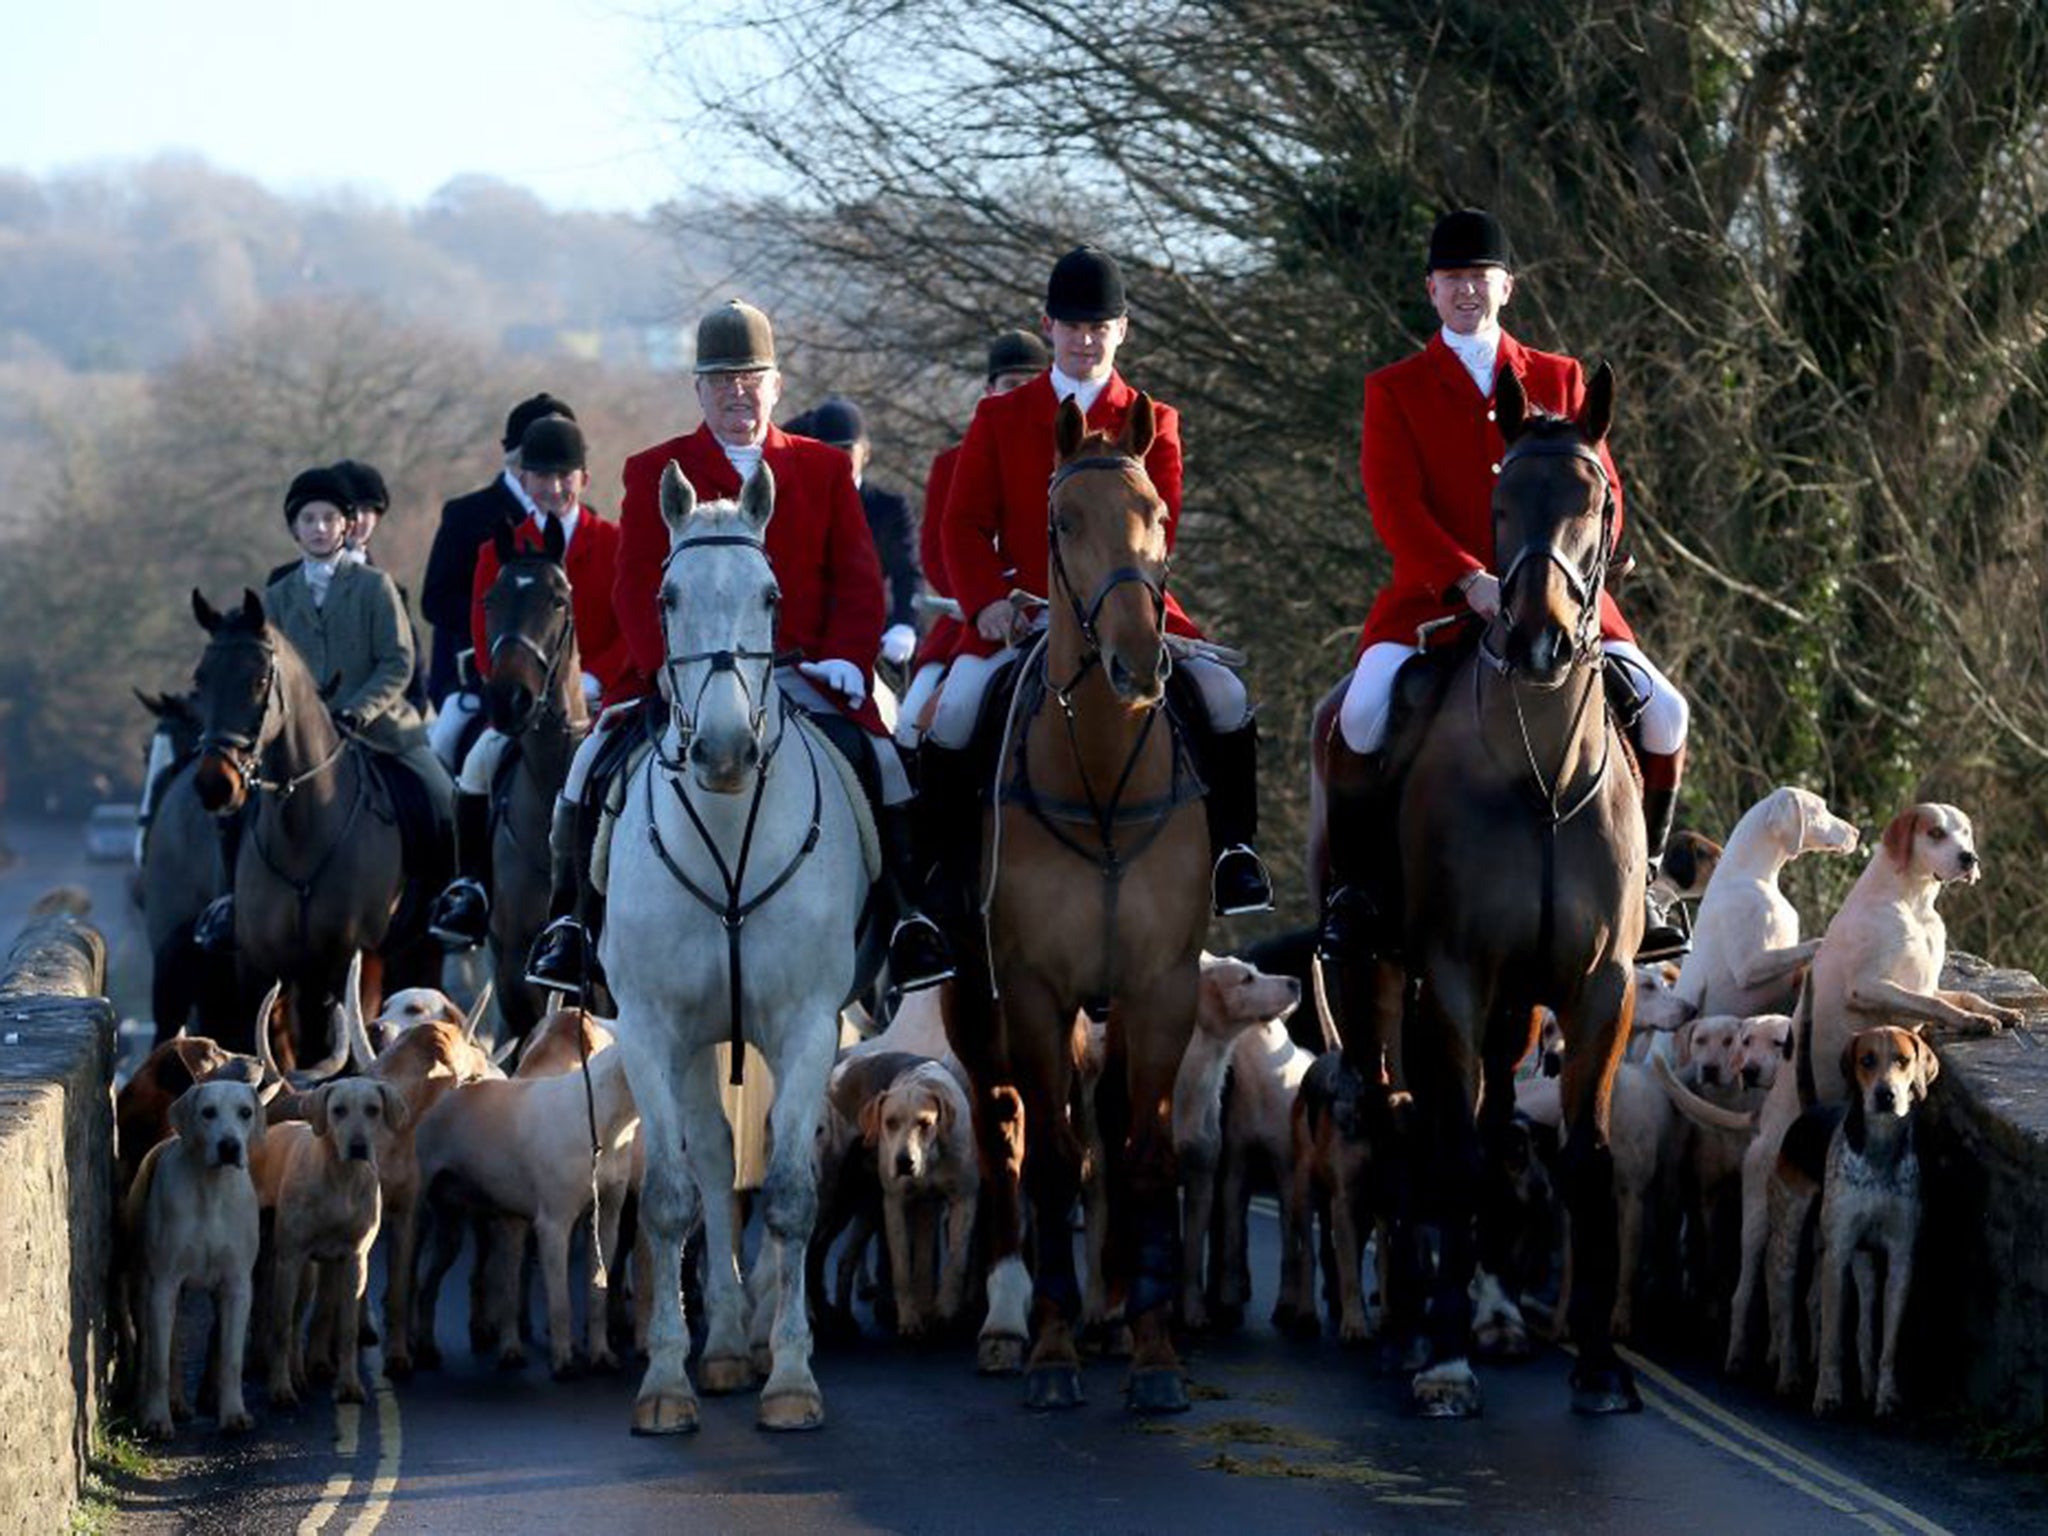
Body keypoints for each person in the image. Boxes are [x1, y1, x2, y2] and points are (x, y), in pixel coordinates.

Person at [523, 300, 953, 998]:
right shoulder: (656, 470)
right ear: (698, 389)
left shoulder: (818, 468)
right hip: (686, 682)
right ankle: (571, 926)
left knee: (886, 763)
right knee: (589, 767)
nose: (737, 392)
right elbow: (633, 586)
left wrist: (848, 654)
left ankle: (908, 923)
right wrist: (660, 668)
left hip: (806, 671)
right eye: (721, 379)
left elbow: (859, 578)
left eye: (751, 377)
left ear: (775, 385)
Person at [1321, 208, 1692, 965]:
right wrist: (1467, 580)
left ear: (1506, 287)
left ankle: (1643, 883)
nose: (1466, 291)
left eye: (1479, 278)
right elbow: (1395, 508)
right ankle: (1356, 892)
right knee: (1359, 715)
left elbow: (1605, 494)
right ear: (1431, 290)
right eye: (1452, 279)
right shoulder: (1394, 390)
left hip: (1563, 605)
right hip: (1434, 603)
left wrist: (1576, 575)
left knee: (1667, 716)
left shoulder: (1559, 377)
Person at [929, 246, 1272, 917]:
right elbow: (962, 525)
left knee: (1226, 696)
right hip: (1024, 618)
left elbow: (1156, 530)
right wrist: (989, 604)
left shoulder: (1154, 420)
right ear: (1049, 325)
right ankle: (945, 877)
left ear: (1122, 330)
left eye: (1099, 326)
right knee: (951, 716)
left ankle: (1234, 853)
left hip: (1129, 609)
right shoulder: (999, 417)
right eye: (1073, 326)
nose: (1086, 339)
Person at [195, 468, 454, 948]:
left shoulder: (375, 587)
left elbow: (398, 663)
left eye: (328, 518)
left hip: (379, 728)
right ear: (295, 529)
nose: (318, 527)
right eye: (308, 519)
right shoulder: (276, 596)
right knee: (234, 806)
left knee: (441, 794)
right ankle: (229, 902)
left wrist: (357, 710)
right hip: (296, 739)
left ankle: (450, 900)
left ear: (345, 525)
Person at [428, 417, 631, 948]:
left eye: (565, 476)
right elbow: (484, 620)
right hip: (526, 707)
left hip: (602, 701)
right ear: (524, 477)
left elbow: (634, 625)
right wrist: (512, 680)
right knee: (474, 767)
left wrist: (596, 677)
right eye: (542, 476)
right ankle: (470, 886)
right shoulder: (498, 549)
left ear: (584, 478)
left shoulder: (614, 542)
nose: (554, 487)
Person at [896, 329, 1050, 748]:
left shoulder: (1067, 455)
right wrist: (985, 602)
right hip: (976, 620)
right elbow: (935, 554)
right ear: (988, 391)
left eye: (1030, 385)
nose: (1019, 395)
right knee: (914, 720)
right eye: (1009, 386)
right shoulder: (951, 464)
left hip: (1056, 612)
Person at [421, 393, 577, 706]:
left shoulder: (583, 519)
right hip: (474, 680)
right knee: (445, 742)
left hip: (563, 681)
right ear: (517, 456)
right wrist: (511, 626)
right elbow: (436, 601)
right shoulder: (466, 515)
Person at [786, 396, 922, 674]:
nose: (836, 459)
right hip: (804, 641)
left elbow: (906, 573)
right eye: (826, 450)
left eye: (846, 450)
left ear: (866, 452)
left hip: (870, 638)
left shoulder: (889, 507)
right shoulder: (795, 507)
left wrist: (904, 624)